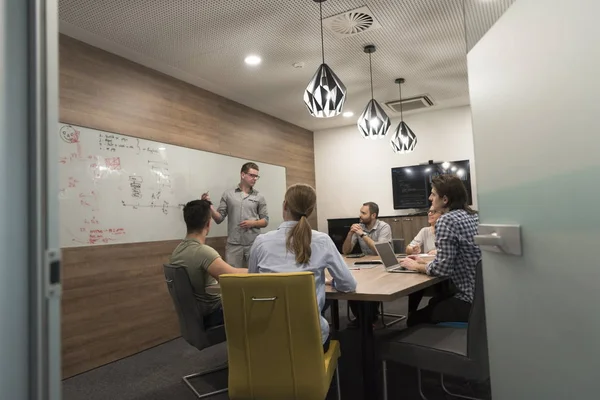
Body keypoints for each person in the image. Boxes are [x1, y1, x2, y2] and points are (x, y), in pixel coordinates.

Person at [248, 184, 357, 352]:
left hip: (268, 334)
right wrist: (332, 283)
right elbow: (349, 285)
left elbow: (253, 285)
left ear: (285, 205)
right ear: (311, 210)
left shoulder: (261, 242)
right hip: (311, 338)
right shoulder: (322, 240)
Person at [400, 175, 482, 326]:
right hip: (482, 296)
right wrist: (424, 262)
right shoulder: (474, 216)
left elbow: (442, 269)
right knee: (435, 301)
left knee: (414, 320)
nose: (430, 198)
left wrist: (416, 266)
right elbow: (456, 257)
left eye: (433, 194)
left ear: (445, 199)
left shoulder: (446, 220)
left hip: (469, 300)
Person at [170, 199, 246, 328]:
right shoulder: (203, 252)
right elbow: (233, 276)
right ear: (208, 223)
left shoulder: (177, 251)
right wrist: (260, 269)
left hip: (196, 314)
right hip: (213, 313)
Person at [202, 162, 268, 269]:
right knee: (232, 278)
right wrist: (209, 205)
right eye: (252, 175)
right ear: (243, 175)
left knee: (254, 277)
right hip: (234, 246)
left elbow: (265, 220)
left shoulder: (259, 197)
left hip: (253, 244)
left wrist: (253, 223)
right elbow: (219, 218)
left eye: (256, 176)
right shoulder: (228, 194)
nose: (255, 179)